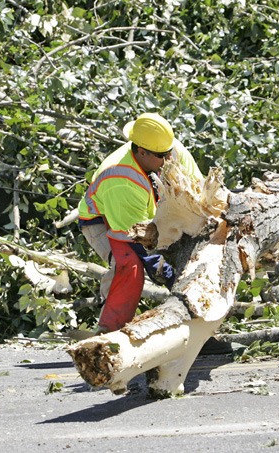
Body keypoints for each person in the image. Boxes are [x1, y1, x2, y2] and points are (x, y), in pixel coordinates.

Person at [77, 112, 203, 333]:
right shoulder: (120, 178)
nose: (168, 161)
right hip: (105, 220)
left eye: (168, 153)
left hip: (149, 215)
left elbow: (199, 192)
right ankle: (109, 333)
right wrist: (164, 270)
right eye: (161, 156)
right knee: (129, 265)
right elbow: (134, 237)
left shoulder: (169, 149)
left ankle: (197, 328)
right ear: (141, 151)